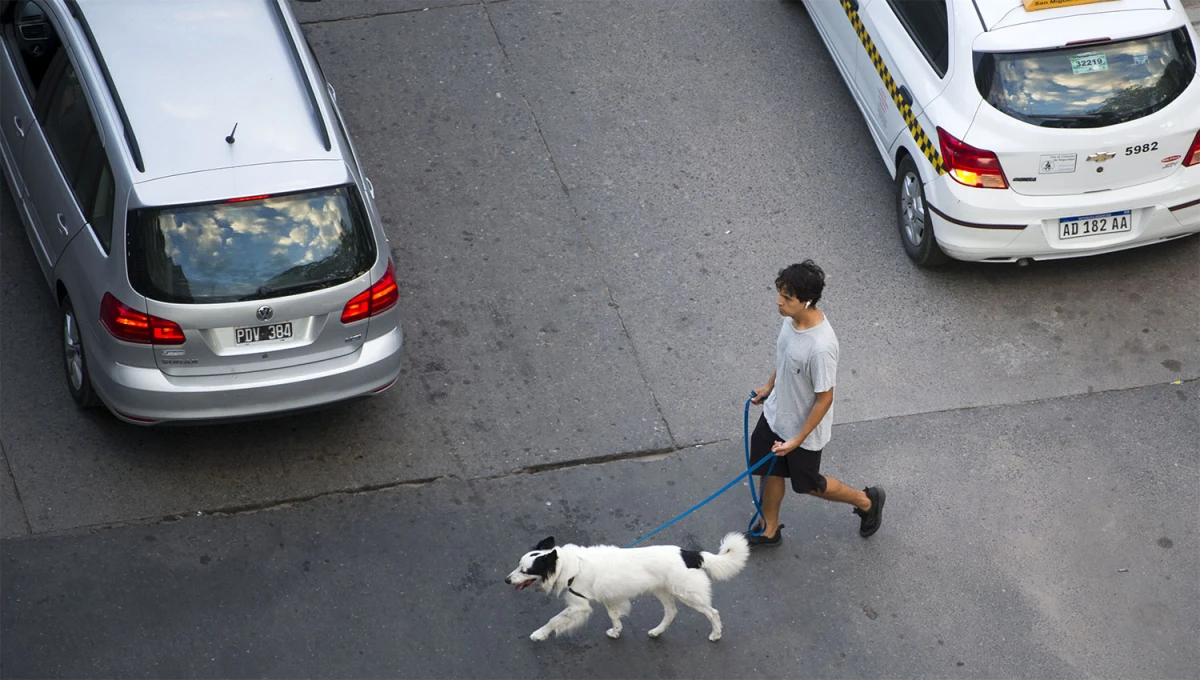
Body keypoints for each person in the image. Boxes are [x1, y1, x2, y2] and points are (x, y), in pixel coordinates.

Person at [744, 260, 884, 546]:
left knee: (808, 485)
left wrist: (797, 440)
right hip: (775, 416)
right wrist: (770, 386)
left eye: (786, 298)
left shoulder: (821, 348)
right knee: (767, 468)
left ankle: (866, 501)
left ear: (807, 301)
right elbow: (786, 357)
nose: (779, 302)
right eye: (780, 293)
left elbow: (825, 399)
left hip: (802, 431)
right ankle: (768, 529)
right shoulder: (791, 320)